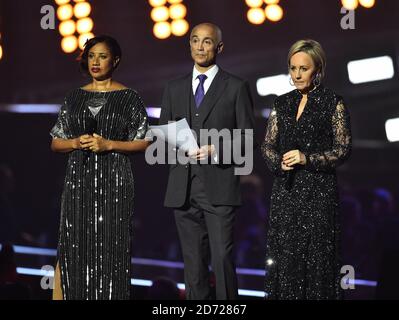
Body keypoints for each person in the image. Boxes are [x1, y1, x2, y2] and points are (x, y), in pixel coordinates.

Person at [159, 23, 255, 300]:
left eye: (207, 42)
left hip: (219, 187)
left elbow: (248, 139)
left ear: (219, 47)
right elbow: (164, 135)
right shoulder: (174, 87)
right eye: (195, 40)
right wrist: (171, 142)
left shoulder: (236, 87)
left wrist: (215, 149)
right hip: (183, 189)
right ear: (189, 44)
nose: (200, 47)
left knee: (223, 260)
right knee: (193, 266)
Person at [50, 35, 149, 300]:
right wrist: (73, 141)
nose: (95, 61)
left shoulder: (129, 97)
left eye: (102, 56)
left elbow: (145, 142)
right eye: (91, 55)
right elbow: (55, 143)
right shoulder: (74, 97)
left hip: (115, 182)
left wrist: (109, 145)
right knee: (74, 246)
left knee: (111, 249)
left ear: (115, 60)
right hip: (78, 182)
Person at [262, 39, 352, 300]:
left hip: (319, 195)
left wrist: (307, 158)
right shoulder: (282, 104)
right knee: (286, 259)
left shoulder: (333, 102)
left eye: (304, 68)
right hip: (286, 193)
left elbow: (342, 150)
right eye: (293, 68)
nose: (297, 74)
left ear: (318, 70)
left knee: (317, 262)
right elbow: (267, 145)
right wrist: (277, 161)